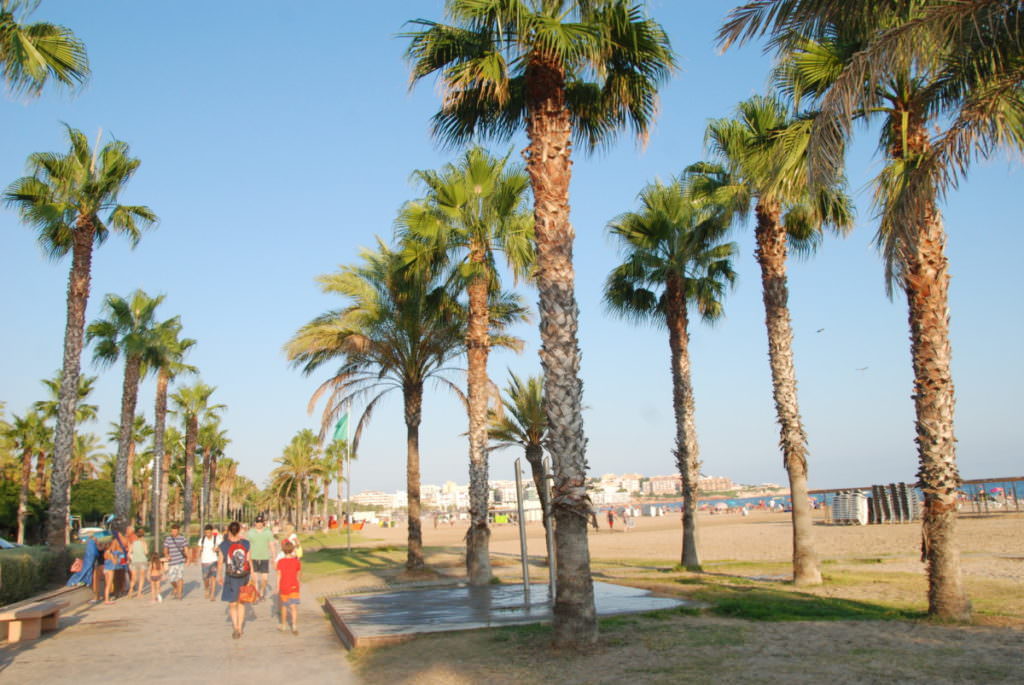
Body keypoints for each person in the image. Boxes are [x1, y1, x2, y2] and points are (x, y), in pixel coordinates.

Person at [218, 521, 251, 639]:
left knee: (232, 603)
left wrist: (219, 576)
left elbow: (220, 562)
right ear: (239, 530)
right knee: (241, 602)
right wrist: (252, 577)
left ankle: (235, 627)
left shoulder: (224, 545)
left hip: (230, 576)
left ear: (228, 531)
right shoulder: (246, 543)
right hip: (243, 575)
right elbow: (248, 560)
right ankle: (240, 627)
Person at [246, 515, 277, 601]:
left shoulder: (268, 532)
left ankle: (262, 592)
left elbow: (271, 544)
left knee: (265, 579)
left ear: (263, 523)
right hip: (253, 557)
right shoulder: (250, 532)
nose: (259, 524)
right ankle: (256, 594)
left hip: (264, 557)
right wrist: (247, 557)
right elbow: (247, 545)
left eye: (260, 522)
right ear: (255, 523)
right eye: (257, 522)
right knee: (255, 579)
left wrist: (274, 557)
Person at [276, 539, 301, 635]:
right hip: (294, 586)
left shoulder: (280, 562)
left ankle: (283, 624)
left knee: (284, 606)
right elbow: (298, 574)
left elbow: (279, 575)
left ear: (283, 550)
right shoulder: (296, 562)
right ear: (292, 550)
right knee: (293, 606)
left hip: (284, 586)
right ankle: (294, 625)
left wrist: (277, 587)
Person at [163, 523, 188, 600]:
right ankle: (176, 588)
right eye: (172, 531)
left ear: (178, 531)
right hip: (172, 562)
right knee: (172, 579)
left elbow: (186, 549)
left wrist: (187, 558)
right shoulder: (168, 539)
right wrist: (167, 555)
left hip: (180, 560)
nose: (173, 532)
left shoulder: (182, 538)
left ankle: (180, 594)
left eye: (175, 531)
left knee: (180, 577)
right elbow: (165, 549)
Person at [198, 524, 222, 601]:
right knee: (205, 578)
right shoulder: (202, 540)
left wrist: (217, 548)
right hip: (204, 561)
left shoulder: (216, 538)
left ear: (212, 532)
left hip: (214, 560)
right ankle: (206, 588)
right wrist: (197, 558)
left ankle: (212, 595)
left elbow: (221, 547)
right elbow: (199, 549)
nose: (207, 534)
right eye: (206, 533)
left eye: (209, 532)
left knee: (213, 577)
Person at [129, 527, 149, 598]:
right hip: (142, 561)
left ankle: (130, 592)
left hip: (134, 562)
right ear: (143, 536)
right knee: (142, 578)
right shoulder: (144, 543)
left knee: (133, 578)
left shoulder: (133, 543)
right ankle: (139, 593)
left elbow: (129, 553)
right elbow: (146, 552)